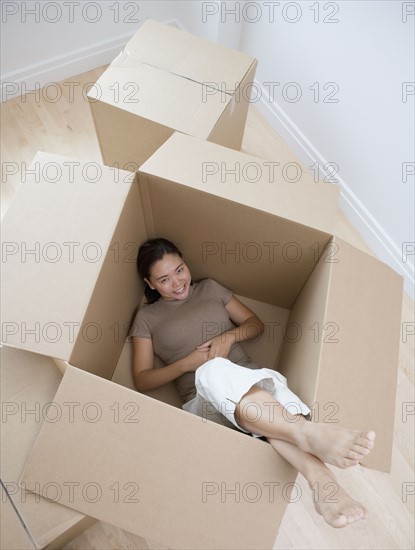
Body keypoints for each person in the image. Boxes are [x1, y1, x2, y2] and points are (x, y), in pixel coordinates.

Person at [130, 238, 376, 529]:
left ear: (185, 261)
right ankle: (308, 434)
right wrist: (189, 363)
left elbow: (254, 324)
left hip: (258, 386)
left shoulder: (210, 288)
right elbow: (143, 379)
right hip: (204, 407)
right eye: (164, 279)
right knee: (214, 371)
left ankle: (325, 486)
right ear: (150, 283)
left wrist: (228, 337)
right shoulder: (147, 317)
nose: (177, 282)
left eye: (180, 270)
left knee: (270, 410)